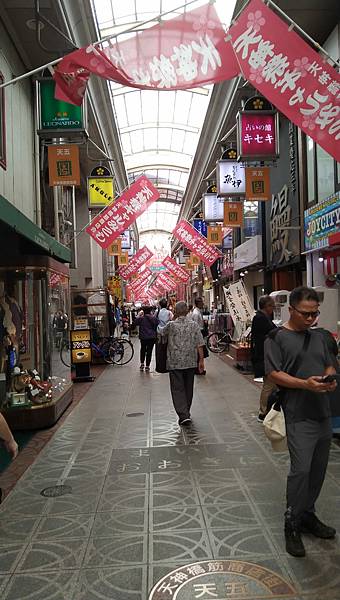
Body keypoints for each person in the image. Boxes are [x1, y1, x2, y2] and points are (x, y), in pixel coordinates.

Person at [264, 286, 337, 558]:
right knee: (301, 470)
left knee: (318, 470)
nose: (310, 319)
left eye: (314, 314)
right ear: (291, 309)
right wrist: (305, 385)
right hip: (296, 414)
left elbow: (329, 363)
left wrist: (327, 379)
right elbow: (273, 374)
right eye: (305, 314)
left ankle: (308, 514)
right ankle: (291, 522)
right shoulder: (276, 337)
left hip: (322, 412)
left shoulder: (320, 337)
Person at [159, 301, 205, 426]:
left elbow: (160, 332)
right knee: (188, 387)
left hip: (174, 362)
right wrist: (201, 360)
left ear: (175, 311)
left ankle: (183, 414)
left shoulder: (171, 325)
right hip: (190, 361)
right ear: (186, 311)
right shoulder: (194, 325)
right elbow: (200, 344)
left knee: (177, 388)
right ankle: (186, 412)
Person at [250, 295, 277, 421]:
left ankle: (268, 409)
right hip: (265, 356)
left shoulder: (262, 317)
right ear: (267, 306)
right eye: (272, 305)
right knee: (269, 384)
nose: (274, 308)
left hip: (266, 355)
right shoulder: (260, 318)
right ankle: (263, 411)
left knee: (271, 384)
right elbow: (269, 334)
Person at [135, 306, 158, 372]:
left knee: (143, 349)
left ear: (143, 312)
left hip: (143, 337)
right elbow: (157, 323)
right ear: (150, 311)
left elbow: (135, 322)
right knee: (149, 351)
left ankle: (142, 364)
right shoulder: (153, 318)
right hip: (151, 337)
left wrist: (138, 315)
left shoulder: (141, 318)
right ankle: (147, 366)